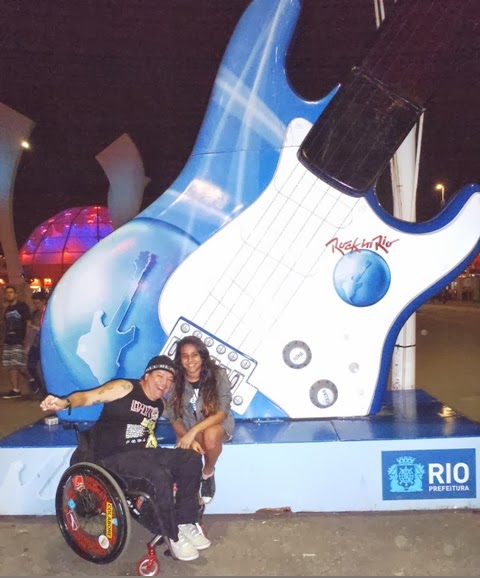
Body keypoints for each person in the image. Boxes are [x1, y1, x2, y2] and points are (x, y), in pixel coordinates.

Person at [39, 355, 210, 562]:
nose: (164, 383)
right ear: (146, 375)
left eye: (169, 379)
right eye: (159, 376)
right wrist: (65, 402)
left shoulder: (159, 404)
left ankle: (185, 521)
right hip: (112, 458)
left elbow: (176, 418)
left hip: (144, 454)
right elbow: (88, 397)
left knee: (191, 459)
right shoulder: (125, 387)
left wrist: (189, 436)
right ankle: (172, 535)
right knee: (158, 474)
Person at [167, 335, 234, 504]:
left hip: (217, 423)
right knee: (188, 456)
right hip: (187, 427)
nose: (190, 360)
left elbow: (222, 412)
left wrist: (193, 432)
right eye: (185, 356)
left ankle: (207, 473)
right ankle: (189, 496)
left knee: (210, 436)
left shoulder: (218, 374)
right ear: (180, 359)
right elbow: (174, 417)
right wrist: (186, 436)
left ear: (202, 356)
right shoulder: (175, 379)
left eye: (194, 355)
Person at [1, 285, 31, 399]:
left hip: (19, 339)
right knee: (10, 365)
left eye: (11, 292)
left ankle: (33, 380)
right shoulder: (7, 308)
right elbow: (3, 323)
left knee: (19, 365)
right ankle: (15, 389)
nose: (9, 294)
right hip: (8, 340)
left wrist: (26, 339)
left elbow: (28, 323)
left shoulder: (22, 306)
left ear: (16, 294)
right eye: (7, 292)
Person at [26, 291, 47, 395]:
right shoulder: (35, 313)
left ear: (43, 301)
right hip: (36, 344)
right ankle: (39, 385)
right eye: (34, 303)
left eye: (38, 303)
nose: (36, 305)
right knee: (30, 365)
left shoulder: (48, 314)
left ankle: (46, 388)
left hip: (45, 345)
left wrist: (36, 328)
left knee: (45, 367)